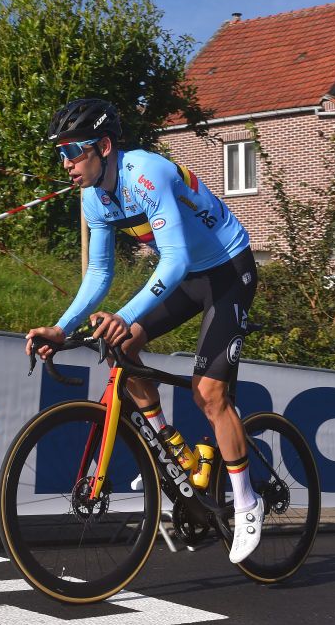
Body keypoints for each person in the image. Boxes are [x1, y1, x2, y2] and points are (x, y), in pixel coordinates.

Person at [25, 98, 264, 563]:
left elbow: (172, 260)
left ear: (105, 146)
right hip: (189, 275)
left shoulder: (144, 173)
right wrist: (60, 327)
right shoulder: (93, 197)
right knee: (122, 345)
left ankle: (247, 500)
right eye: (61, 154)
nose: (66, 163)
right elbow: (98, 276)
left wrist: (123, 313)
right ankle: (175, 452)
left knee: (210, 394)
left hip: (228, 270)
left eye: (73, 151)